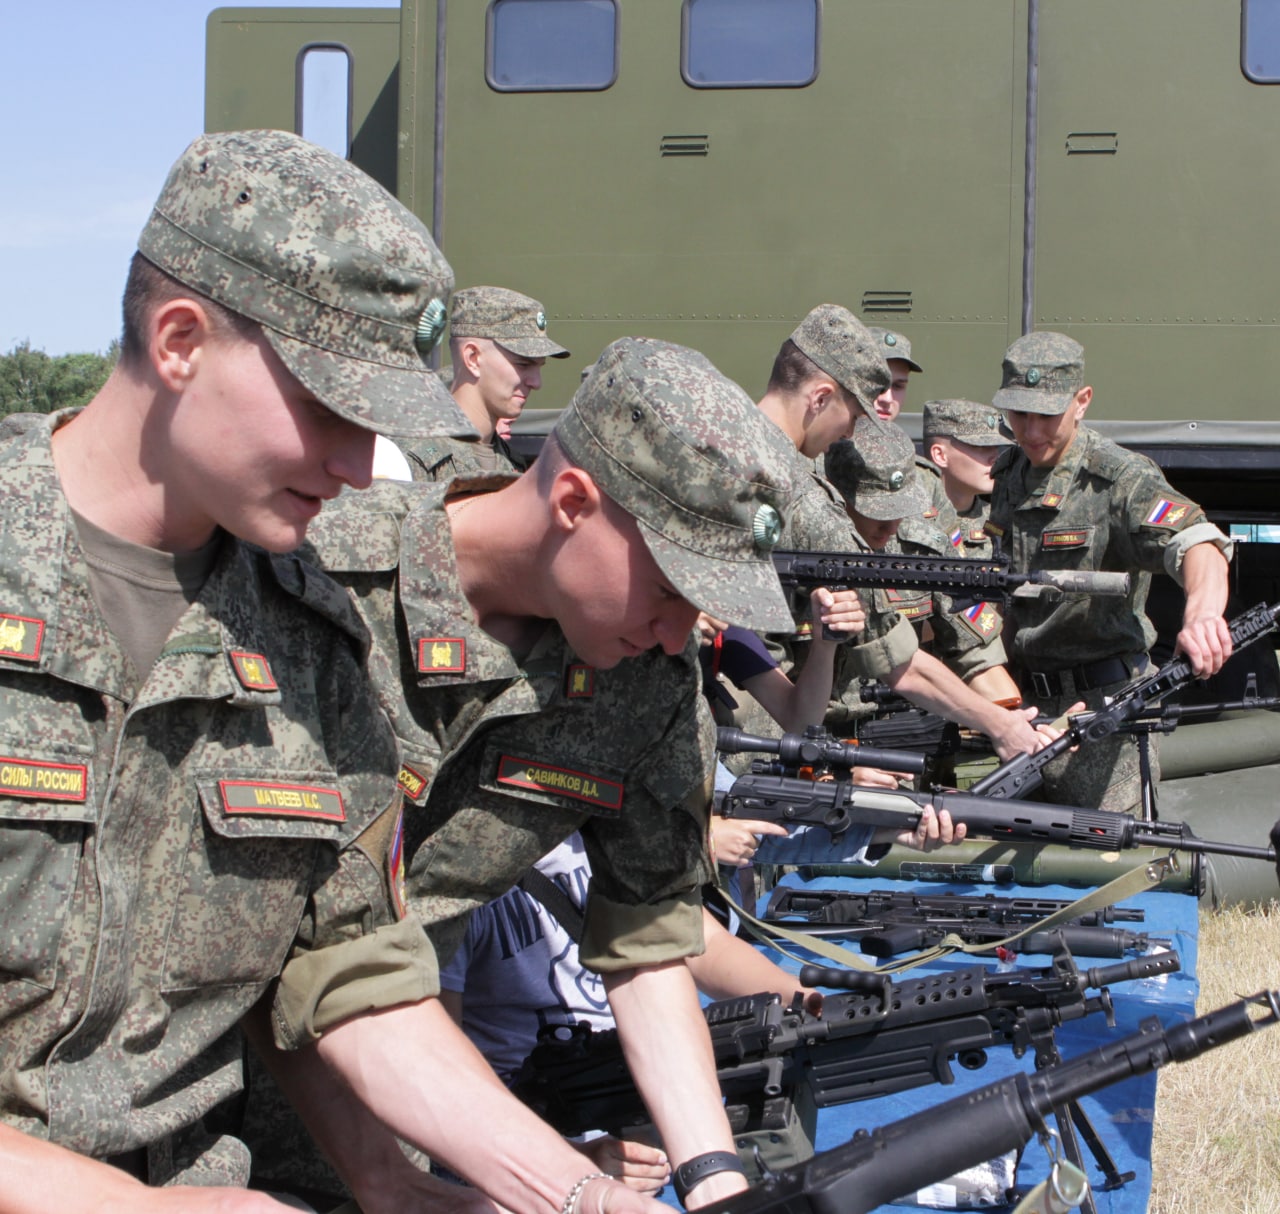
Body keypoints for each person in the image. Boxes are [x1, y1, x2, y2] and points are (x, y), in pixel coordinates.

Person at [0, 128, 504, 1212]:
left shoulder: (311, 641)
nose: (357, 463)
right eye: (327, 408)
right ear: (179, 340)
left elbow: (351, 973)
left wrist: (553, 1189)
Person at [287, 335, 829, 1211]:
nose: (679, 632)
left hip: (412, 1113)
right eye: (668, 590)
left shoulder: (648, 685)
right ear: (574, 499)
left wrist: (713, 1176)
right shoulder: (316, 571)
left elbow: (648, 940)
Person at [755, 306, 1049, 762]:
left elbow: (969, 645)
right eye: (854, 411)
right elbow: (897, 663)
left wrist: (1011, 721)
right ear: (820, 397)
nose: (856, 425)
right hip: (781, 736)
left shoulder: (727, 446)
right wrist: (1000, 726)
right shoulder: (811, 504)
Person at [988, 331, 1234, 810]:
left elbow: (1197, 541)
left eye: (1047, 415)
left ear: (1082, 402)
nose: (1032, 430)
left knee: (1108, 859)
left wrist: (1203, 616)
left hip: (1106, 713)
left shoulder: (1118, 478)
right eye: (1020, 414)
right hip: (1024, 707)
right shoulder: (1009, 474)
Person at [401, 285, 569, 480]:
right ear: (472, 358)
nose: (536, 382)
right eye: (523, 364)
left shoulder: (513, 464)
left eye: (539, 367)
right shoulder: (412, 461)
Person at [922, 398, 1013, 556]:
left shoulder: (1000, 522)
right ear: (940, 455)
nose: (995, 457)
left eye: (996, 447)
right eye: (980, 447)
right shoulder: (904, 520)